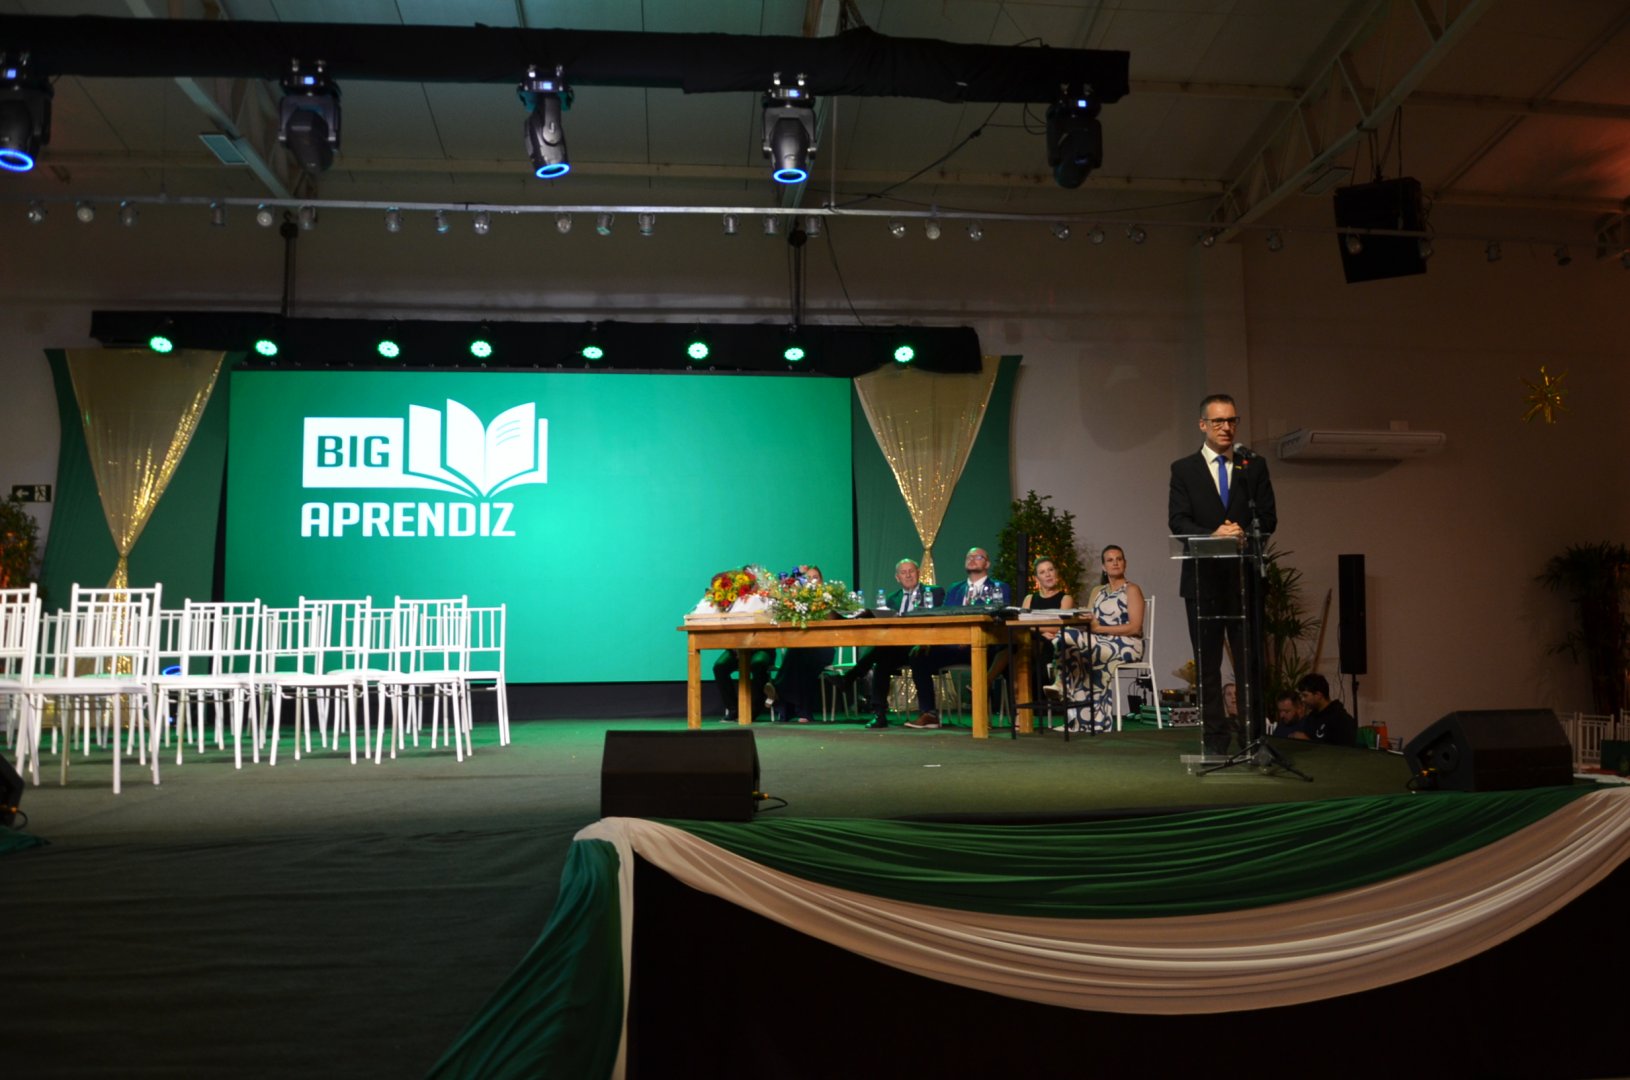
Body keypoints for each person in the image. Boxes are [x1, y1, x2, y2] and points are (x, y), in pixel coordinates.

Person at [1168, 392, 1277, 756]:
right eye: (1218, 421)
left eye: (1232, 420)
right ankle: (1215, 741)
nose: (1226, 427)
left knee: (1249, 663)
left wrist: (1241, 532)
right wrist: (1213, 534)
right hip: (1203, 581)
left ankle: (1252, 739)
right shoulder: (1183, 469)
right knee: (1208, 666)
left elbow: (1269, 517)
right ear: (1203, 425)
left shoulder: (1253, 466)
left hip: (1244, 579)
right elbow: (1178, 521)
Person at [904, 547, 1011, 729]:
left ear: (987, 564)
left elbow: (999, 618)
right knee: (919, 655)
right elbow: (944, 618)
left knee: (1003, 651)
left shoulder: (999, 587)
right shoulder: (955, 588)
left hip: (985, 644)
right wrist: (929, 641)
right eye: (969, 556)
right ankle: (929, 714)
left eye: (978, 557)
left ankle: (985, 716)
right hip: (954, 646)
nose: (972, 559)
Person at [840, 558, 945, 729]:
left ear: (918, 573)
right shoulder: (891, 598)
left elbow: (939, 617)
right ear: (897, 578)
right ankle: (879, 714)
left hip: (923, 644)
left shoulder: (934, 592)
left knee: (881, 653)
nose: (908, 575)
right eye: (903, 572)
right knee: (882, 659)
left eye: (911, 571)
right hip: (898, 647)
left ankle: (850, 678)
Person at [1054, 545, 1145, 734]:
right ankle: (1075, 717)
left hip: (1127, 643)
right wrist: (1082, 620)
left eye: (1119, 559)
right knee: (1067, 638)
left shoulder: (1132, 589)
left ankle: (1071, 695)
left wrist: (1099, 629)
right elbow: (1090, 621)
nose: (1115, 563)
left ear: (1125, 563)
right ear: (1104, 567)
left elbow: (1135, 627)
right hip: (1099, 641)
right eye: (1110, 560)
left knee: (1082, 650)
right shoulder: (1097, 591)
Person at [765, 565, 836, 723]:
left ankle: (779, 692)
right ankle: (803, 712)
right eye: (808, 578)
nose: (812, 581)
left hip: (824, 647)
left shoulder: (829, 598)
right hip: (804, 648)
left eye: (815, 577)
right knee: (800, 657)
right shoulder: (798, 600)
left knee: (799, 654)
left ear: (821, 580)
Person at [1023, 557, 1074, 702]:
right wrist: (1041, 632)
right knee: (1015, 649)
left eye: (1050, 570)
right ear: (1036, 578)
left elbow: (1059, 625)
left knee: (1047, 645)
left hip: (1053, 642)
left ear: (1056, 573)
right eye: (1042, 572)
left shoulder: (1065, 599)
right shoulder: (1029, 599)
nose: (1048, 574)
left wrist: (1034, 626)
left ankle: (1043, 704)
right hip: (1033, 641)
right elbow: (1021, 624)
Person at [1288, 673, 1357, 746]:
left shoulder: (1341, 719)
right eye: (1301, 696)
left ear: (1318, 695)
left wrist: (1307, 741)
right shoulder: (1311, 717)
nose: (1302, 699)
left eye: (1305, 695)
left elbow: (1344, 751)